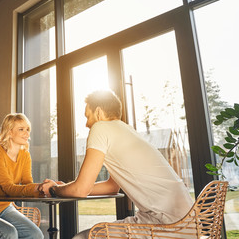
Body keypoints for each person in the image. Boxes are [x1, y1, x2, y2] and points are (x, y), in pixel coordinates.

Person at [40, 90, 193, 239]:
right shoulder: (127, 130)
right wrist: (67, 187)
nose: (87, 124)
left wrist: (54, 189)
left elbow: (81, 190)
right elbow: (112, 187)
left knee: (82, 237)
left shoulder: (100, 128)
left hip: (166, 225)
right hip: (189, 225)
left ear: (99, 112)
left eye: (87, 116)